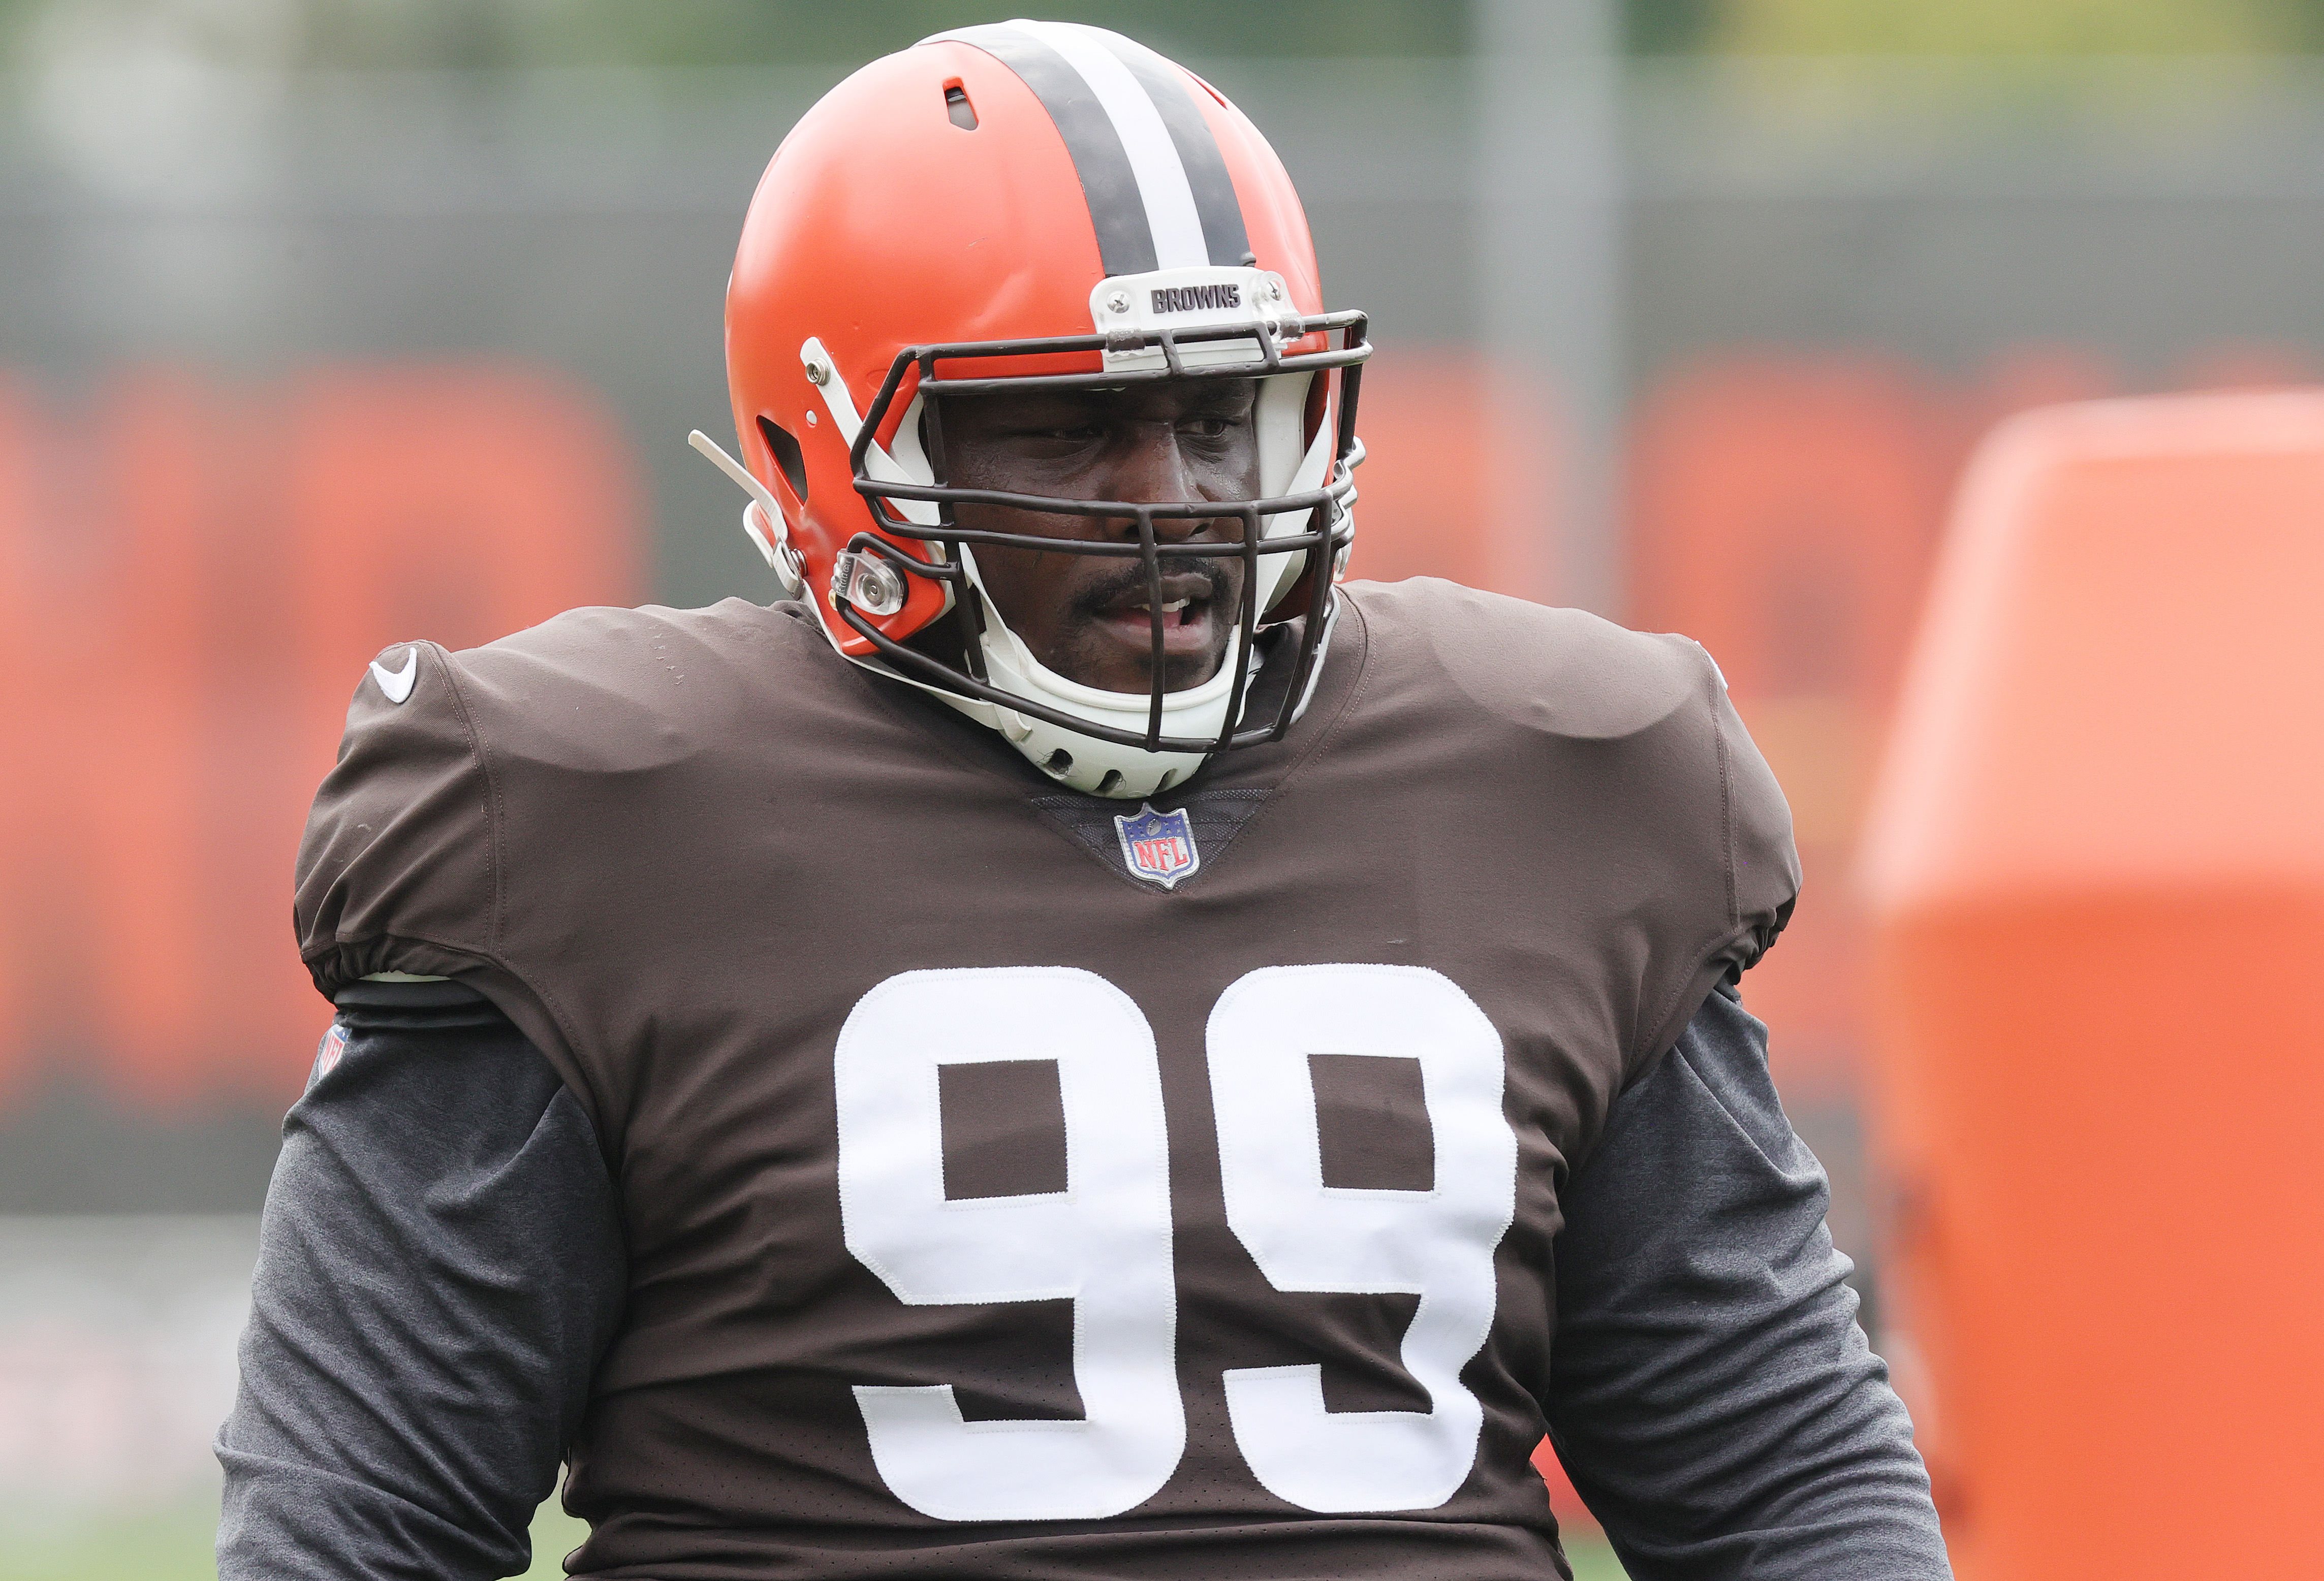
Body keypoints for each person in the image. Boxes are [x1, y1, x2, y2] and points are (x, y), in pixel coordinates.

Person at [217, 21, 1951, 1581]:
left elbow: (1781, 1484)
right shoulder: (593, 821)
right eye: (1063, 428)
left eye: (1219, 418)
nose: (1170, 503)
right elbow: (361, 1528)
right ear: (833, 454)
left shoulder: (1560, 783)